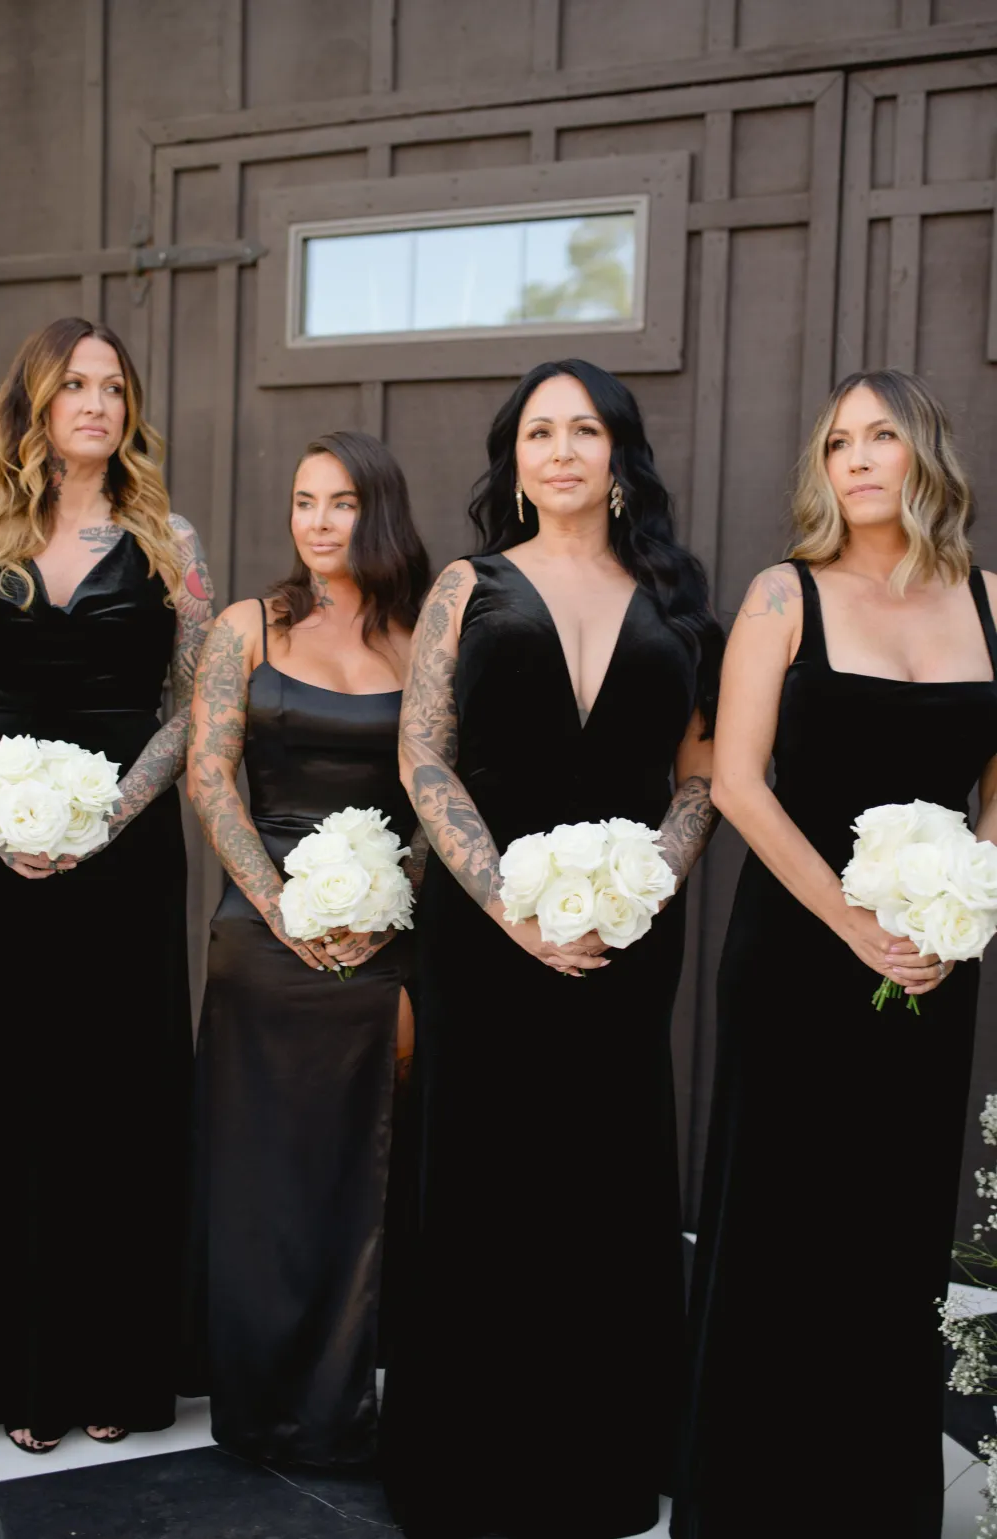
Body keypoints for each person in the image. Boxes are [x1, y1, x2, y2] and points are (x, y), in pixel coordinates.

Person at [379, 359, 723, 1539]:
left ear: (620, 455)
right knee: (482, 1188)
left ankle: (598, 1468)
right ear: (513, 457)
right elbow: (424, 756)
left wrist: (635, 893)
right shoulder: (466, 588)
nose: (562, 450)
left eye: (585, 430)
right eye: (539, 432)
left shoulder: (679, 602)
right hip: (482, 946)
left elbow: (701, 778)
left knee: (601, 1187)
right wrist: (506, 901)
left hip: (624, 945)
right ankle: (468, 1472)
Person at [672, 370, 997, 1539]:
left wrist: (962, 911)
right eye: (837, 442)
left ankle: (871, 1507)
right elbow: (739, 784)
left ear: (923, 457)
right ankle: (753, 1503)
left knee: (889, 1239)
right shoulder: (781, 597)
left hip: (930, 972)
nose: (855, 459)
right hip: (799, 963)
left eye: (880, 438)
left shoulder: (992, 603)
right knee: (784, 1235)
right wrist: (853, 920)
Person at [0, 316, 212, 1453]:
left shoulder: (171, 538)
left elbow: (191, 711)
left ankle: (115, 1363)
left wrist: (104, 817)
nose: (98, 405)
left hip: (123, 864)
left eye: (115, 387)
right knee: (11, 1096)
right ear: (36, 402)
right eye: (75, 385)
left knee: (115, 1101)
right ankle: (19, 1371)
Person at [185, 430, 430, 1467]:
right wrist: (281, 903)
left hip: (380, 943)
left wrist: (391, 897)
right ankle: (252, 1400)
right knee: (259, 1177)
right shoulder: (246, 625)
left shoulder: (423, 638)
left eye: (338, 503)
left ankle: (338, 1407)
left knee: (357, 1172)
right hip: (262, 934)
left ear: (376, 513)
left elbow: (439, 796)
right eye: (302, 501)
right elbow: (209, 776)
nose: (316, 522)